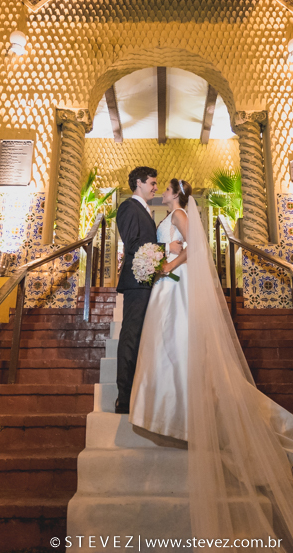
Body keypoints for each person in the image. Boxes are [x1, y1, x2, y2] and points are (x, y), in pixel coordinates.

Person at [131, 182, 293, 553]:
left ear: (177, 194)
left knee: (176, 340)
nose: (161, 190)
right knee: (168, 343)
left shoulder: (177, 213)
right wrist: (162, 258)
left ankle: (181, 409)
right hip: (168, 285)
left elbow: (197, 249)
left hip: (176, 283)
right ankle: (169, 404)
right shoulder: (170, 215)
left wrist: (170, 263)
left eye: (167, 188)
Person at [114, 166, 181, 415]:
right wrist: (167, 247)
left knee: (141, 336)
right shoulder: (128, 207)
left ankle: (139, 391)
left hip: (147, 280)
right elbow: (133, 244)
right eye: (152, 183)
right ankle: (123, 398)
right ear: (139, 183)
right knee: (131, 336)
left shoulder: (145, 210)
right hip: (136, 281)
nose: (155, 187)